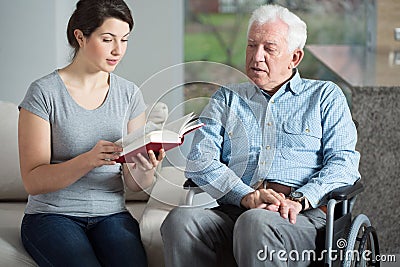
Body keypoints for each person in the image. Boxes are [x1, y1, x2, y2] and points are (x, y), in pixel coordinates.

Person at [161, 4, 360, 267]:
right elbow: (200, 161)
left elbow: (344, 164)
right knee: (180, 221)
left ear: (295, 58)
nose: (256, 57)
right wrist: (246, 196)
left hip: (301, 218)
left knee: (254, 222)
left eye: (269, 48)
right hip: (237, 210)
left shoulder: (325, 97)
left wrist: (300, 199)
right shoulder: (226, 99)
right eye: (251, 45)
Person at [18, 0, 165, 266]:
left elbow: (133, 184)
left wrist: (145, 167)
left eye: (125, 40)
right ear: (80, 37)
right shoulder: (43, 93)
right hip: (52, 216)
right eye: (107, 39)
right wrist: (88, 160)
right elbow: (33, 180)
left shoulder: (129, 94)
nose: (118, 50)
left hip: (112, 215)